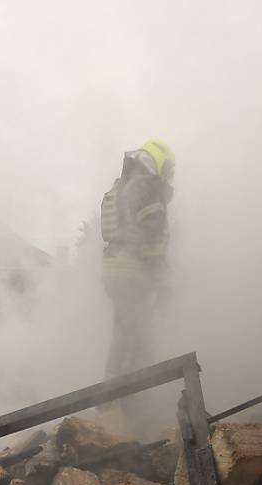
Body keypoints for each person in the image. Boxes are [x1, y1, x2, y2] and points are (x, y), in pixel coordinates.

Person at [100, 139, 175, 379]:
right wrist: (162, 278)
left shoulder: (120, 187)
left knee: (123, 335)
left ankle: (114, 400)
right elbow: (152, 237)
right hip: (133, 273)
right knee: (137, 337)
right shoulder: (147, 188)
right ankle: (124, 403)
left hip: (114, 271)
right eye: (169, 170)